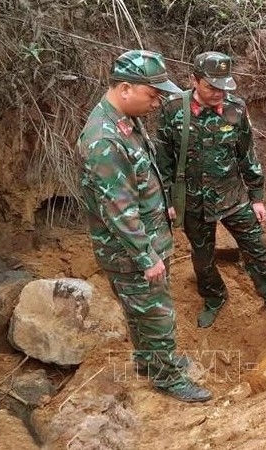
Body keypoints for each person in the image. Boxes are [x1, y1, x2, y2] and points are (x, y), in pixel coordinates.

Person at [77, 50, 211, 403]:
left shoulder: (124, 119)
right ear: (125, 88)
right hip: (131, 250)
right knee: (156, 315)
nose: (156, 103)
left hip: (147, 237)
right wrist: (146, 255)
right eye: (152, 95)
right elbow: (118, 209)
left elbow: (141, 173)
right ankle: (166, 377)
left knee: (141, 312)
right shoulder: (104, 140)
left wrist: (162, 203)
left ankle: (150, 360)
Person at [156, 51, 266, 328]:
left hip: (233, 196)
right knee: (203, 259)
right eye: (212, 86)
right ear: (194, 80)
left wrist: (257, 197)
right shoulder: (173, 109)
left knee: (259, 249)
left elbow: (246, 155)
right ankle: (214, 297)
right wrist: (167, 200)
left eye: (223, 86)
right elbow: (163, 159)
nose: (218, 93)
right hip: (193, 202)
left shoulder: (235, 108)